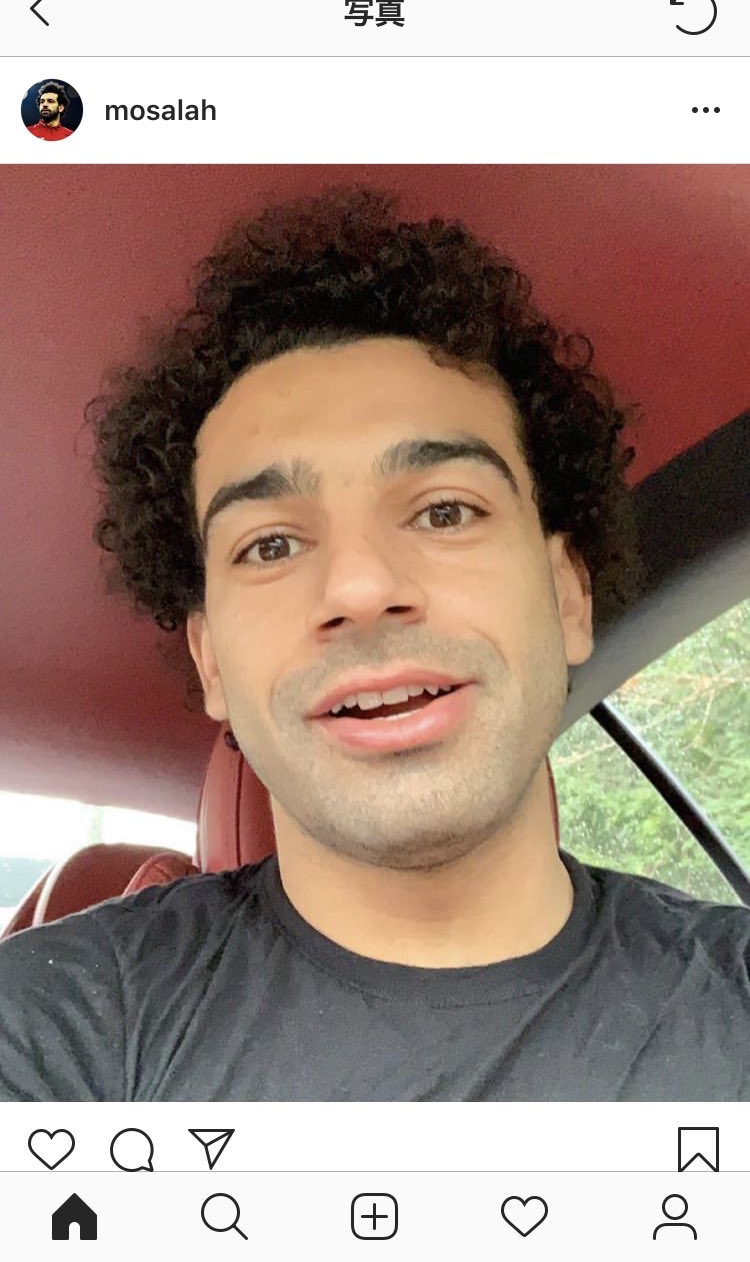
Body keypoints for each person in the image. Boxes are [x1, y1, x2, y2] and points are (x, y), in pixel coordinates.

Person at [1, 185, 748, 1100]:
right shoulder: (54, 1030)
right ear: (211, 662)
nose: (359, 588)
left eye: (444, 511)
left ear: (567, 596)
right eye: (270, 545)